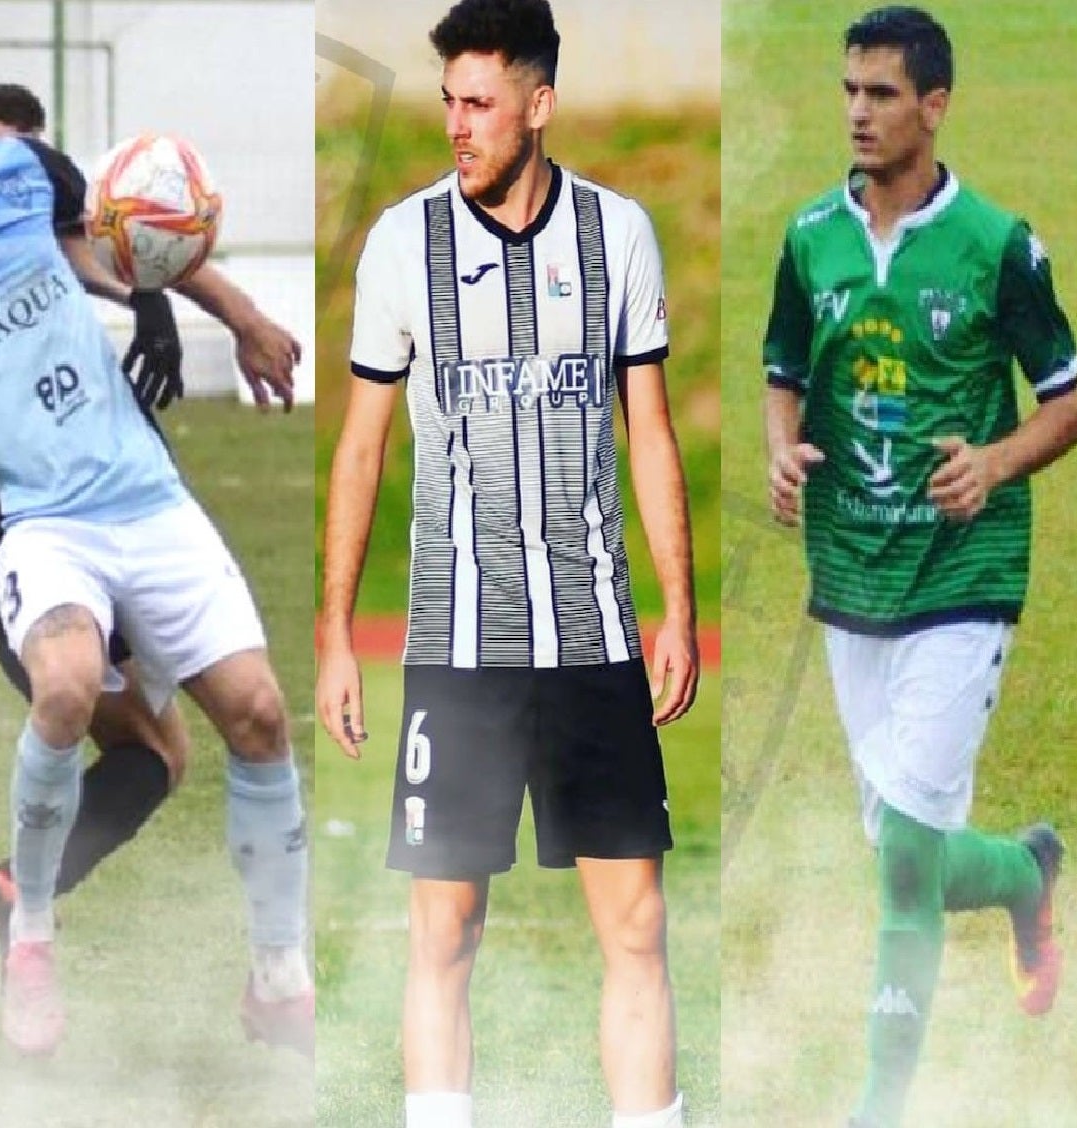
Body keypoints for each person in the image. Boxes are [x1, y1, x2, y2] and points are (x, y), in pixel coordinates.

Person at [0, 15, 310, 1057]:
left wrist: (235, 315)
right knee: (40, 704)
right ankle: (8, 939)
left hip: (125, 502)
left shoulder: (18, 171)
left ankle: (271, 974)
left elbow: (127, 236)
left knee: (235, 724)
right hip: (10, 524)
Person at [317, 1, 698, 1124]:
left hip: (594, 638)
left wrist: (678, 609)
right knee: (444, 933)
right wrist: (335, 634)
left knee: (637, 927)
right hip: (457, 647)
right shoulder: (404, 244)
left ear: (540, 105)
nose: (457, 125)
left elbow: (651, 430)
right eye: (449, 101)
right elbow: (360, 446)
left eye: (480, 103)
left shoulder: (618, 234)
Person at [759, 7, 1077, 1125]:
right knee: (911, 859)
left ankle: (879, 1109)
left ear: (935, 105)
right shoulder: (811, 238)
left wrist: (993, 464)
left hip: (963, 575)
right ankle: (1027, 874)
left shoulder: (997, 245)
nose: (859, 112)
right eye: (850, 90)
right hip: (852, 578)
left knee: (903, 856)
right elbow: (783, 372)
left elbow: (1069, 406)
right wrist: (780, 450)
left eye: (884, 93)